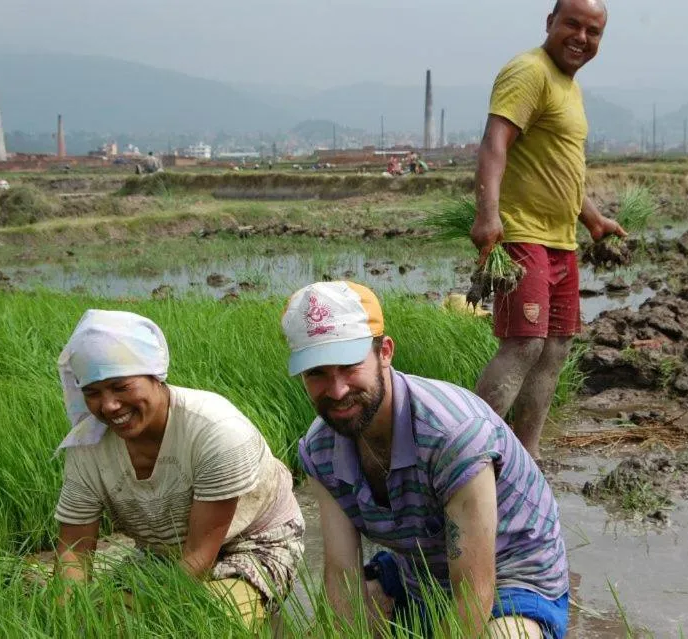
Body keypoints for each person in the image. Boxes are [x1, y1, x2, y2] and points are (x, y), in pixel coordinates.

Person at [282, 281, 569, 638]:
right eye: (317, 374)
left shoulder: (455, 434)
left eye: (349, 366)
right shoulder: (319, 449)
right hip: (418, 572)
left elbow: (473, 593)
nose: (337, 390)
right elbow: (343, 578)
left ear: (384, 352)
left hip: (509, 577)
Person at [53, 310, 303, 626]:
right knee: (108, 621)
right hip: (163, 553)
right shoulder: (87, 446)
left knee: (208, 623)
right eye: (92, 393)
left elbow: (199, 556)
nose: (108, 406)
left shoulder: (216, 431)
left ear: (154, 375)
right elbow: (74, 551)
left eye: (121, 387)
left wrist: (152, 613)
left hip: (251, 544)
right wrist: (70, 618)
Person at [471, 0, 625, 463]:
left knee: (555, 347)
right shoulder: (528, 71)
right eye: (572, 24)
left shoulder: (569, 87)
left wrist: (592, 219)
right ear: (550, 23)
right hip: (523, 236)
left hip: (561, 242)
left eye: (593, 31)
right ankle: (466, 452)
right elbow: (495, 141)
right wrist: (487, 214)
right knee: (524, 343)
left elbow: (559, 170)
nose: (581, 37)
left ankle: (527, 456)